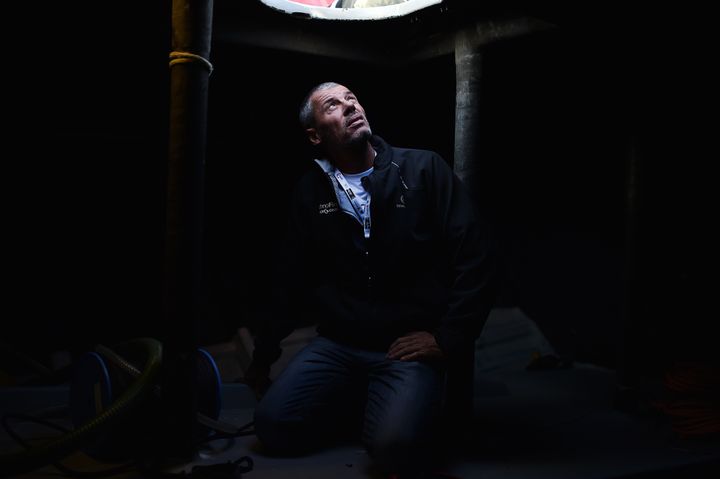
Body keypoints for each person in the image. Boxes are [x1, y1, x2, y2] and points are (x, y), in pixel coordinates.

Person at [243, 82, 496, 477]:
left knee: (394, 449)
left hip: (404, 348)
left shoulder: (422, 168)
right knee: (273, 426)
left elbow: (476, 257)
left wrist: (448, 338)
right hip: (339, 345)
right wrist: (263, 357)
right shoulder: (311, 191)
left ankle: (405, 406)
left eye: (352, 99)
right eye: (333, 106)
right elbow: (289, 280)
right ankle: (368, 401)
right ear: (315, 135)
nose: (349, 107)